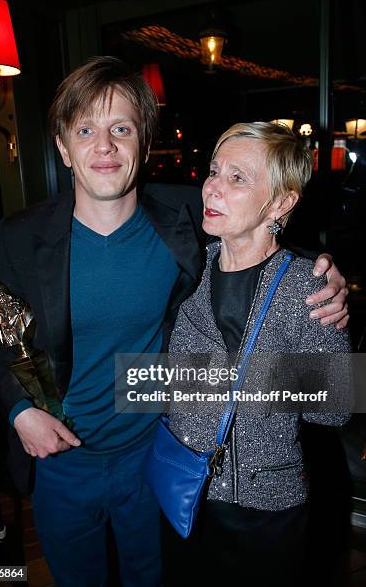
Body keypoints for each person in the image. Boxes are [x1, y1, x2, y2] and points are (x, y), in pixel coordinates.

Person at [0, 58, 347, 587]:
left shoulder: (185, 219)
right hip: (61, 461)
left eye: (121, 129)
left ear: (143, 143)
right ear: (63, 147)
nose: (103, 146)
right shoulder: (19, 236)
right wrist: (20, 412)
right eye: (85, 130)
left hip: (155, 456)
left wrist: (321, 271)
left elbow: (260, 235)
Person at [166, 121, 352, 586]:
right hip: (183, 491)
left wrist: (231, 379)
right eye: (213, 170)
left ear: (282, 203)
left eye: (237, 178)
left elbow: (337, 408)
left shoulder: (306, 287)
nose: (212, 187)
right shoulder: (190, 268)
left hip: (265, 509)